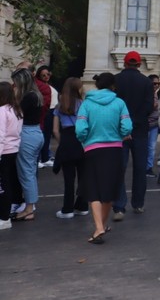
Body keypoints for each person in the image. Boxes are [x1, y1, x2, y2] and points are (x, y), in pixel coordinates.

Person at [75, 72, 132, 243]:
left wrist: (85, 140)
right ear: (113, 86)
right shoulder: (119, 103)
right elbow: (127, 126)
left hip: (93, 149)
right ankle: (102, 225)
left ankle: (99, 227)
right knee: (109, 190)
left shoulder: (87, 104)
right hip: (114, 149)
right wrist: (120, 135)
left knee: (94, 189)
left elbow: (80, 129)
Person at [112, 50, 155, 220]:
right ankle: (138, 203)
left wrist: (124, 126)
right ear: (139, 64)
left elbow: (114, 105)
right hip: (140, 130)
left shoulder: (116, 80)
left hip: (119, 131)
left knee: (119, 169)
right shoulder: (146, 82)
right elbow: (148, 106)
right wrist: (135, 122)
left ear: (124, 63)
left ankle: (119, 206)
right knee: (139, 168)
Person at [12, 68, 43, 222]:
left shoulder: (27, 97)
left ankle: (29, 208)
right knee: (29, 171)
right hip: (35, 133)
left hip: (27, 134)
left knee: (26, 172)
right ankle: (30, 206)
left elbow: (16, 114)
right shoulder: (35, 95)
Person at [54, 78, 88, 219]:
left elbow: (55, 130)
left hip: (67, 140)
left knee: (68, 178)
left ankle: (67, 209)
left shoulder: (60, 106)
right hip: (81, 141)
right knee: (83, 176)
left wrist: (64, 142)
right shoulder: (84, 105)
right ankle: (82, 206)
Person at [0, 82, 23, 231]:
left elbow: (0, 134)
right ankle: (5, 215)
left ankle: (4, 217)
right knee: (6, 183)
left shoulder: (2, 111)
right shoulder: (16, 109)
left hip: (4, 150)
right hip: (13, 149)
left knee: (3, 185)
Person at [34, 65, 55, 167]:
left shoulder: (49, 85)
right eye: (43, 75)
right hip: (45, 111)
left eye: (48, 74)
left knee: (47, 135)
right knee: (41, 135)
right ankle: (39, 158)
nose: (46, 76)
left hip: (51, 111)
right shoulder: (40, 86)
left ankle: (45, 157)